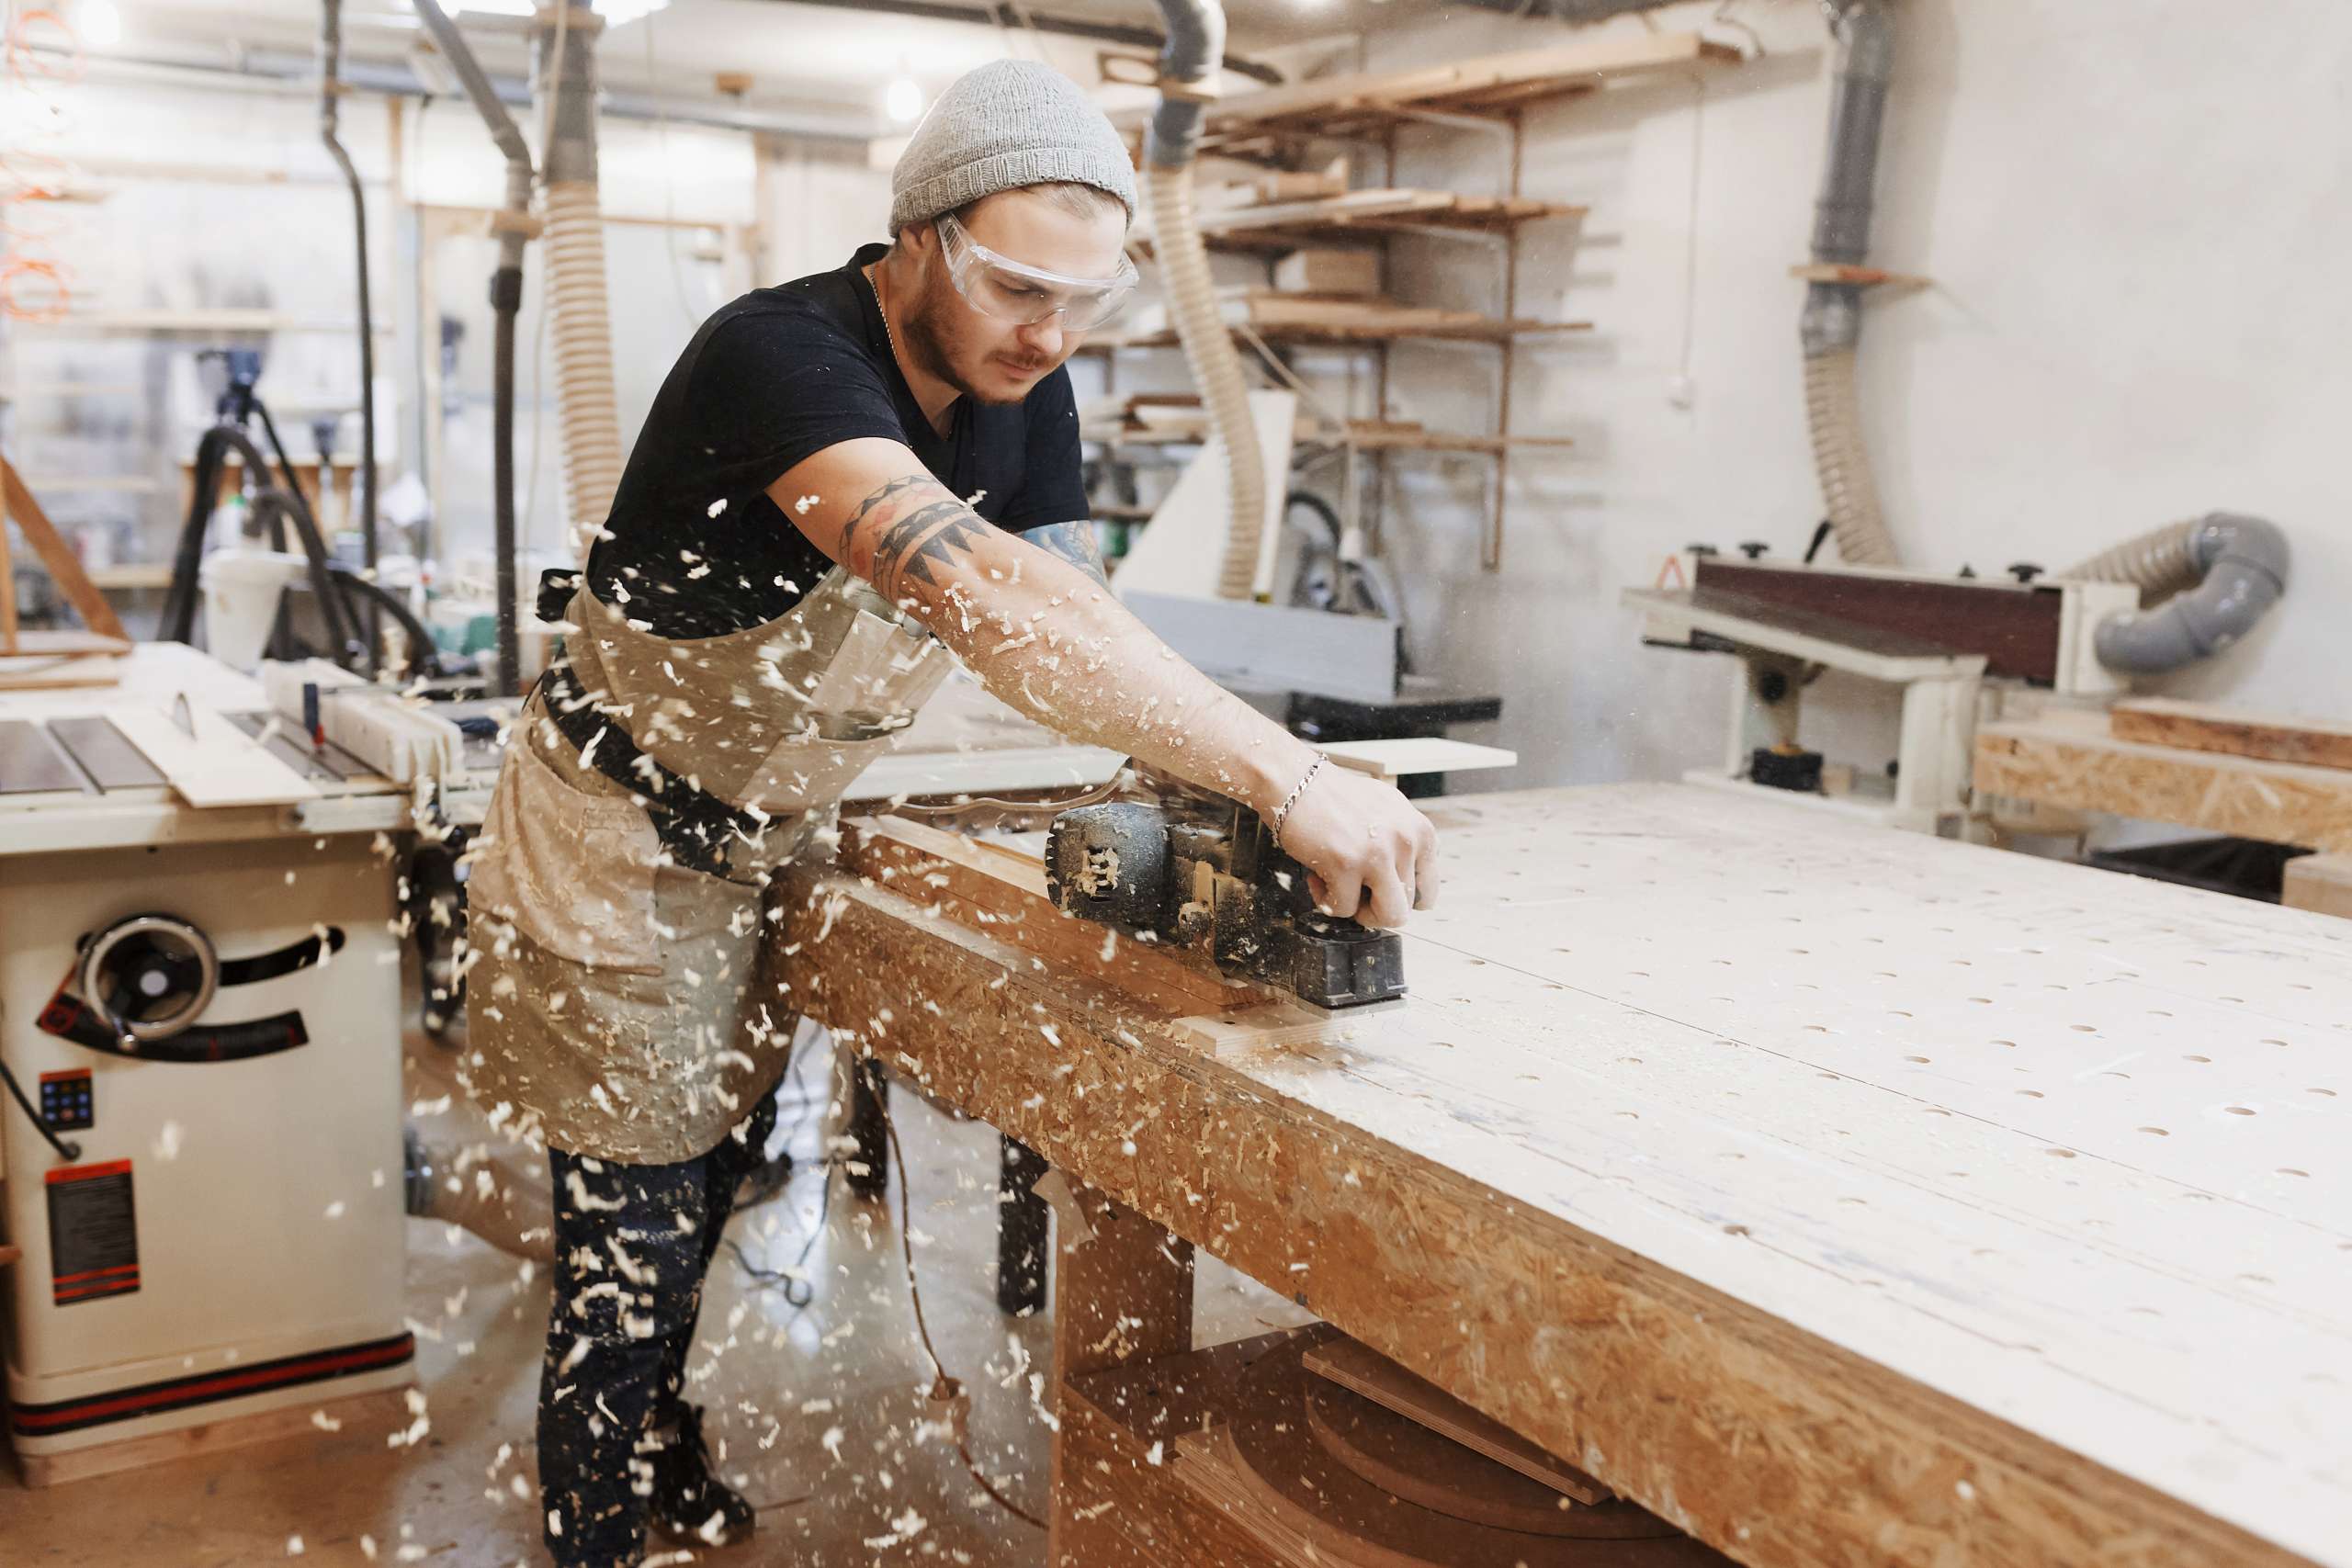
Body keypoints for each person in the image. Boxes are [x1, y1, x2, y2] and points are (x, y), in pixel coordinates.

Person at [460, 59, 1438, 1565]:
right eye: (1014, 290)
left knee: (716, 1174)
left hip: (770, 832)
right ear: (914, 236)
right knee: (629, 1236)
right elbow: (980, 594)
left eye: (1082, 305)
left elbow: (1066, 611)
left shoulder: (1018, 382)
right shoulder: (778, 357)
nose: (1048, 339)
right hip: (619, 837)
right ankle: (591, 1523)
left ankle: (658, 1440)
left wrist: (1202, 785)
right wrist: (1291, 778)